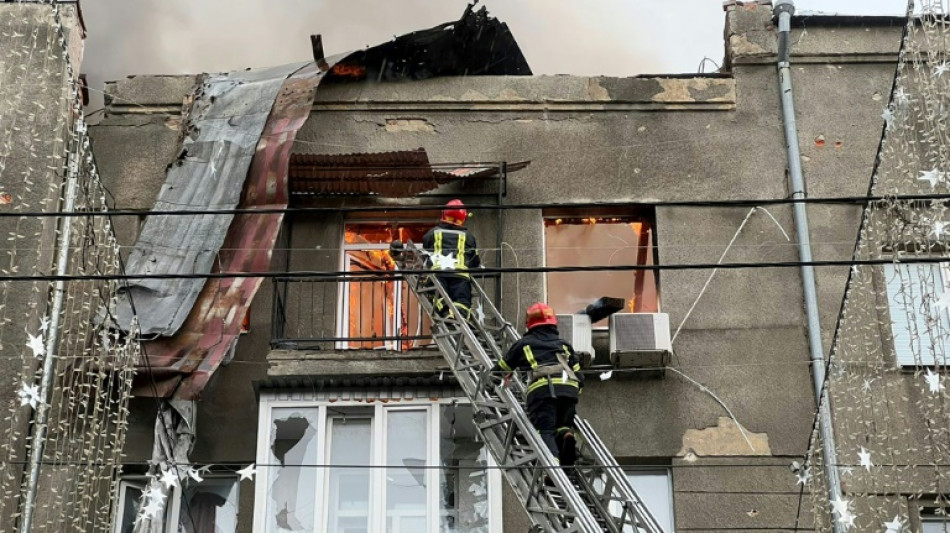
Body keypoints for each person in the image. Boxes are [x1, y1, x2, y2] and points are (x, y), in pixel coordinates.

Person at [492, 302, 584, 467]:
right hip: (569, 391)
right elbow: (579, 375)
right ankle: (566, 436)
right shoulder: (564, 344)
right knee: (562, 425)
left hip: (544, 392)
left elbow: (502, 368)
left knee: (545, 430)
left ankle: (551, 467)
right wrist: (572, 393)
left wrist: (487, 382)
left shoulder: (524, 344)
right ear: (552, 323)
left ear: (530, 325)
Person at [421, 199, 481, 320]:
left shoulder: (433, 233)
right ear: (463, 218)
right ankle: (461, 318)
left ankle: (446, 313)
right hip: (461, 276)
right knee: (462, 301)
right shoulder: (469, 237)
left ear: (444, 214)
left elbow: (426, 251)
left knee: (439, 295)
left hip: (438, 274)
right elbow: (475, 261)